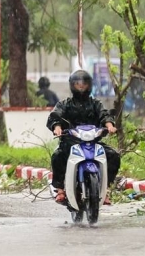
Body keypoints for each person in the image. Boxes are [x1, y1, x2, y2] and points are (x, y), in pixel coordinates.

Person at [46, 70, 120, 205]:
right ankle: (60, 189)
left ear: (89, 85)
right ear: (72, 85)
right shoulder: (65, 104)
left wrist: (110, 126)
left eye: (84, 84)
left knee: (113, 155)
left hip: (92, 142)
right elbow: (55, 115)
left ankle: (105, 189)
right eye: (77, 83)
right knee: (57, 156)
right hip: (70, 142)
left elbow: (104, 115)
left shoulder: (96, 104)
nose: (81, 86)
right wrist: (57, 127)